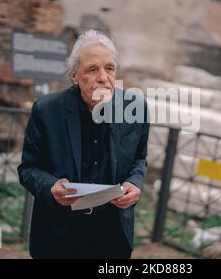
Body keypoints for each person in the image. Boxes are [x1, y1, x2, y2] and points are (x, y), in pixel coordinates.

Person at [18, 30, 150, 258]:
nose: (103, 77)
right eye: (92, 69)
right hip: (58, 233)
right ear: (75, 76)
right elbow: (28, 169)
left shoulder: (135, 108)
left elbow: (139, 159)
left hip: (112, 233)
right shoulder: (46, 110)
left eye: (109, 68)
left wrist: (134, 183)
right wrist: (51, 186)